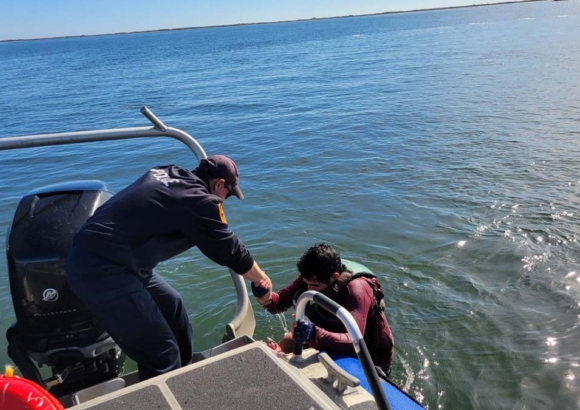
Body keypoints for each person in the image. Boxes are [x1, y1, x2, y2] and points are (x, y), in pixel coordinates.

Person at [65, 155, 273, 381]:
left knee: (174, 309)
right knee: (161, 353)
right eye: (229, 194)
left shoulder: (168, 171)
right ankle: (160, 391)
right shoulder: (199, 201)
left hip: (121, 259)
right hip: (101, 269)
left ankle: (181, 382)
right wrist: (262, 281)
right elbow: (231, 250)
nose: (226, 200)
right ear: (219, 184)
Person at [258, 243, 394, 375]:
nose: (309, 290)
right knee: (289, 340)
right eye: (307, 284)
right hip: (331, 331)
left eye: (315, 285)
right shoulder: (313, 277)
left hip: (367, 355)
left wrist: (315, 334)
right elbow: (278, 304)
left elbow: (354, 344)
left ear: (335, 277)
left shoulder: (357, 290)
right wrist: (266, 296)